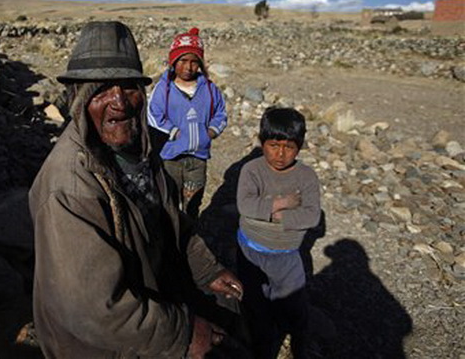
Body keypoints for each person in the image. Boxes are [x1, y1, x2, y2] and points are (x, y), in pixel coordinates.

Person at [29, 21, 244, 359]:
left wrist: (207, 269)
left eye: (129, 86)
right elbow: (94, 310)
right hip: (101, 345)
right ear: (78, 99)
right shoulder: (69, 188)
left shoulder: (141, 147)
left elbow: (171, 220)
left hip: (147, 300)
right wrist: (183, 333)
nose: (120, 102)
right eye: (101, 89)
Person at [235, 106, 321, 359]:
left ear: (300, 146)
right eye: (274, 145)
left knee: (293, 307)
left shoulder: (306, 176)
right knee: (256, 308)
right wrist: (281, 205)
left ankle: (299, 344)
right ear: (262, 142)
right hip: (250, 251)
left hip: (286, 254)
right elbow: (245, 206)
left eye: (289, 147)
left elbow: (312, 215)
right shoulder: (251, 170)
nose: (281, 154)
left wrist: (273, 216)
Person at [147, 27, 227, 218]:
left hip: (198, 158)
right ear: (174, 62)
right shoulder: (163, 89)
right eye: (183, 61)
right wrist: (172, 131)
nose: (189, 67)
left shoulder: (209, 89)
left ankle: (190, 236)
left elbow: (221, 113)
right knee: (170, 201)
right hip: (170, 157)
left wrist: (210, 133)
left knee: (193, 204)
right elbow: (153, 114)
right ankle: (172, 241)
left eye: (194, 62)